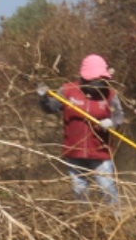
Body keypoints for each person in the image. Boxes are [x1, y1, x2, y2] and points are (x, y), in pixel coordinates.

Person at [37, 54, 125, 208]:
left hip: (100, 152)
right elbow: (51, 108)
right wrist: (43, 98)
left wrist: (112, 122)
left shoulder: (109, 95)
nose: (98, 83)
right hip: (74, 152)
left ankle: (116, 217)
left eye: (101, 79)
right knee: (80, 192)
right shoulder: (68, 90)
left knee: (108, 190)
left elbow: (119, 115)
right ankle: (84, 218)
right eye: (94, 79)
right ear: (85, 77)